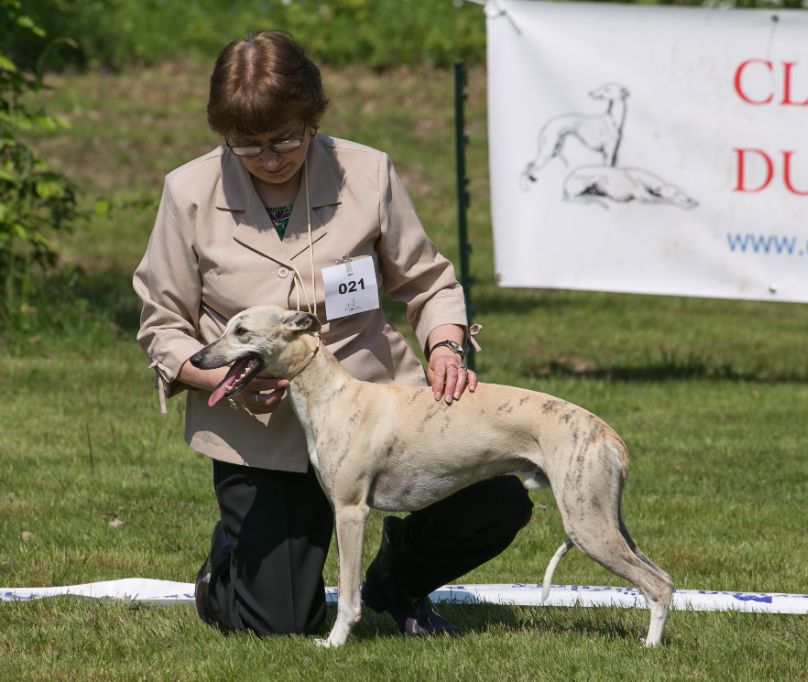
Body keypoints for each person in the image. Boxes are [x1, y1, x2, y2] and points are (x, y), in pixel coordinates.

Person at [133, 31, 532, 637]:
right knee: (281, 624)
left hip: (381, 413)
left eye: (286, 138)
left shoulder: (367, 174)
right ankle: (227, 566)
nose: (269, 157)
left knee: (497, 500)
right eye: (247, 145)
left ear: (314, 117)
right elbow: (163, 324)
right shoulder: (187, 192)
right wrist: (216, 376)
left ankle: (398, 582)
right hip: (262, 435)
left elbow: (428, 283)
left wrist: (445, 341)